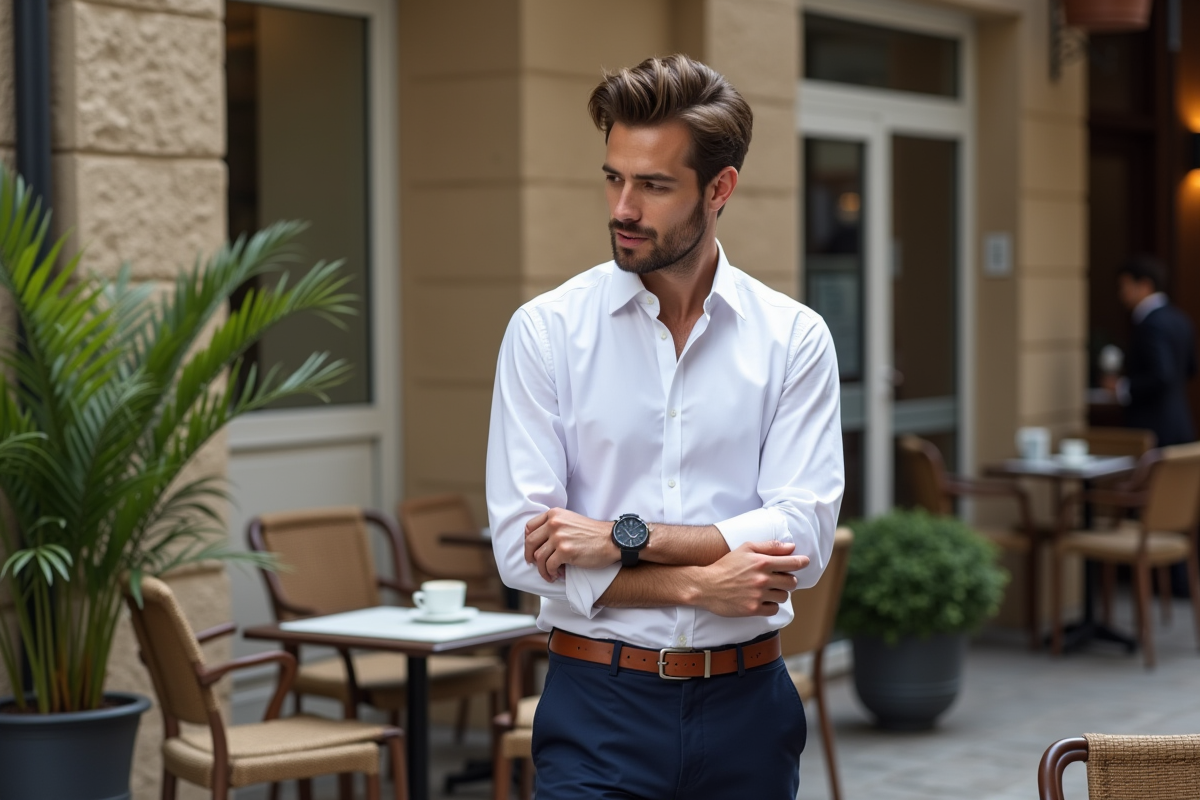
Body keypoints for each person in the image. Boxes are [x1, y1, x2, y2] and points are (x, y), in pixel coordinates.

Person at [486, 55, 844, 800]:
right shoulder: (546, 332)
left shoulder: (793, 338)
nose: (623, 206)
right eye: (614, 177)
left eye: (652, 185)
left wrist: (623, 537)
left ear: (720, 189)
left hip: (749, 711)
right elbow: (526, 554)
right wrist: (700, 586)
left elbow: (801, 539)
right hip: (598, 710)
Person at [1109, 255, 1197, 447]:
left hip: (1153, 429)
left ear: (1145, 285)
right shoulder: (1180, 318)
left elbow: (1162, 375)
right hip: (1180, 424)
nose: (1121, 294)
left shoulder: (1150, 324)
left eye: (1125, 286)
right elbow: (1190, 368)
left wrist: (1123, 388)